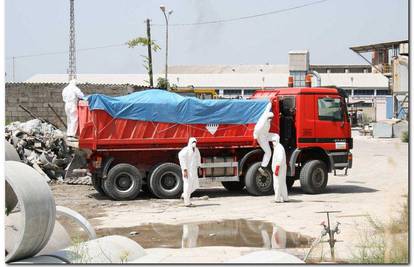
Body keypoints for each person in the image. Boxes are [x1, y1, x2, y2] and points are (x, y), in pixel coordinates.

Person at [253, 102, 277, 176]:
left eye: (271, 118)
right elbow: (257, 129)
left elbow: (267, 108)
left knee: (276, 136)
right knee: (268, 152)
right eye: (270, 118)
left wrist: (270, 102)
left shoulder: (266, 115)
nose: (271, 119)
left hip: (265, 135)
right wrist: (255, 139)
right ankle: (262, 167)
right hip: (261, 138)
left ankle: (276, 150)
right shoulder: (263, 121)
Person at [178, 137, 201, 207]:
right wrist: (185, 169)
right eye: (193, 142)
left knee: (194, 185)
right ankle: (187, 202)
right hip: (187, 171)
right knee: (187, 185)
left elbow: (198, 158)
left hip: (193, 171)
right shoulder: (186, 150)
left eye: (195, 142)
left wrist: (199, 167)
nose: (194, 143)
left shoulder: (196, 150)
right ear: (190, 142)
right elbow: (181, 158)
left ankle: (184, 195)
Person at [271, 134, 289, 203]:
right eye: (272, 141)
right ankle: (285, 198)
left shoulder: (279, 148)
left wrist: (277, 168)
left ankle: (277, 198)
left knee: (277, 183)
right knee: (282, 183)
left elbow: (280, 158)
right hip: (280, 168)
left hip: (279, 168)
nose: (273, 142)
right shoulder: (278, 147)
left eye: (274, 141)